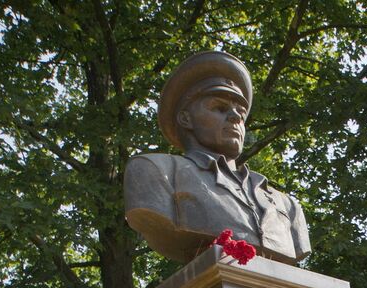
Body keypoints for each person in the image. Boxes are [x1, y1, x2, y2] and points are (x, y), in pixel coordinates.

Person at [124, 51, 311, 265]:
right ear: (186, 119)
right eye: (219, 108)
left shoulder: (287, 205)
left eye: (240, 114)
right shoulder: (156, 171)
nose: (235, 117)